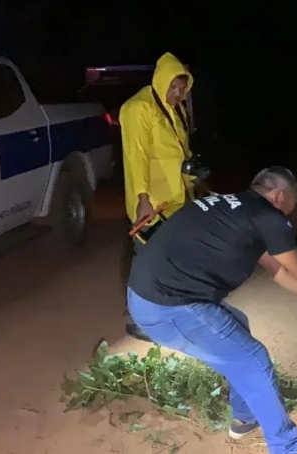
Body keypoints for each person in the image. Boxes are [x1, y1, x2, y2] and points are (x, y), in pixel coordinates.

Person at [126, 166, 297, 454]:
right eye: (290, 207)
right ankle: (288, 448)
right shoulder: (266, 216)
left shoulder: (231, 206)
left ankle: (245, 417)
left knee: (237, 325)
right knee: (253, 359)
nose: (287, 217)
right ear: (280, 196)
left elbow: (280, 271)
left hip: (149, 295)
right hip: (167, 307)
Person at [119, 52, 199, 341]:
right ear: (160, 79)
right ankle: (139, 320)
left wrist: (192, 175)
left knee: (173, 260)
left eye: (182, 87)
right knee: (148, 263)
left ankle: (167, 314)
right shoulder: (138, 108)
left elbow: (177, 152)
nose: (177, 93)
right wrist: (142, 198)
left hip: (176, 199)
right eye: (173, 86)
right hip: (151, 203)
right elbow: (135, 157)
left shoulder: (172, 110)